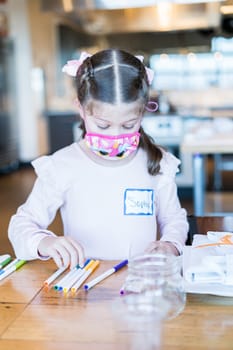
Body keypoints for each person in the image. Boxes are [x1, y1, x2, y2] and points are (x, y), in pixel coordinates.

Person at [8, 49, 188, 269]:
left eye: (129, 125)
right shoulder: (61, 166)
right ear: (81, 110)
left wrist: (170, 244)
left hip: (138, 284)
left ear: (142, 113)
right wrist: (45, 242)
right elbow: (21, 224)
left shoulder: (158, 163)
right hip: (83, 285)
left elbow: (174, 219)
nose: (115, 136)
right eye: (103, 125)